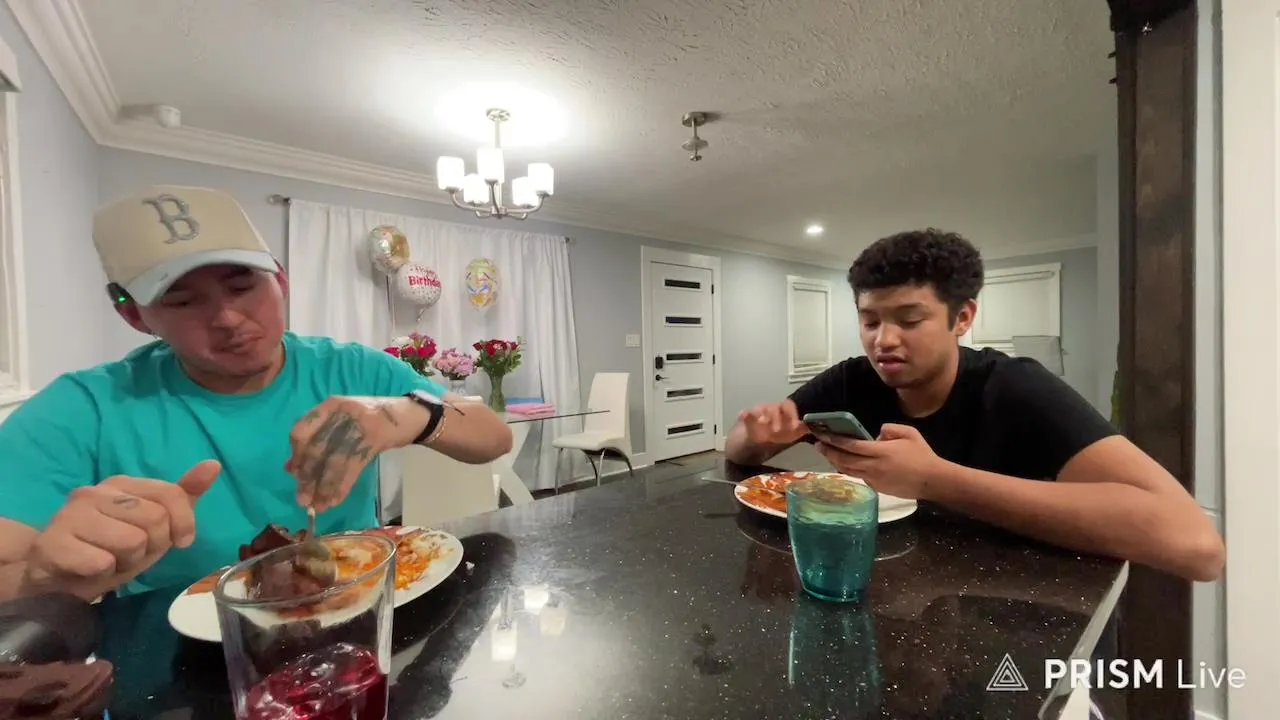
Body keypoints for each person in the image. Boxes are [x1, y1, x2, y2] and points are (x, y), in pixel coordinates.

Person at [0, 186, 514, 602]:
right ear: (135, 316)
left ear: (280, 281)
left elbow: (492, 437)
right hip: (183, 652)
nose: (227, 318)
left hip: (358, 606)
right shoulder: (84, 408)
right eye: (182, 300)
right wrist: (43, 575)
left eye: (242, 285)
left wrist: (409, 415)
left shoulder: (348, 367)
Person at [726, 228, 1224, 582]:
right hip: (888, 598)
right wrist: (755, 436)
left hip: (1020, 623)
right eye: (870, 320)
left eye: (909, 320)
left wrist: (936, 479)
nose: (884, 340)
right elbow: (738, 452)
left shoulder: (1015, 387)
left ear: (962, 318)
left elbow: (1197, 547)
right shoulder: (850, 380)